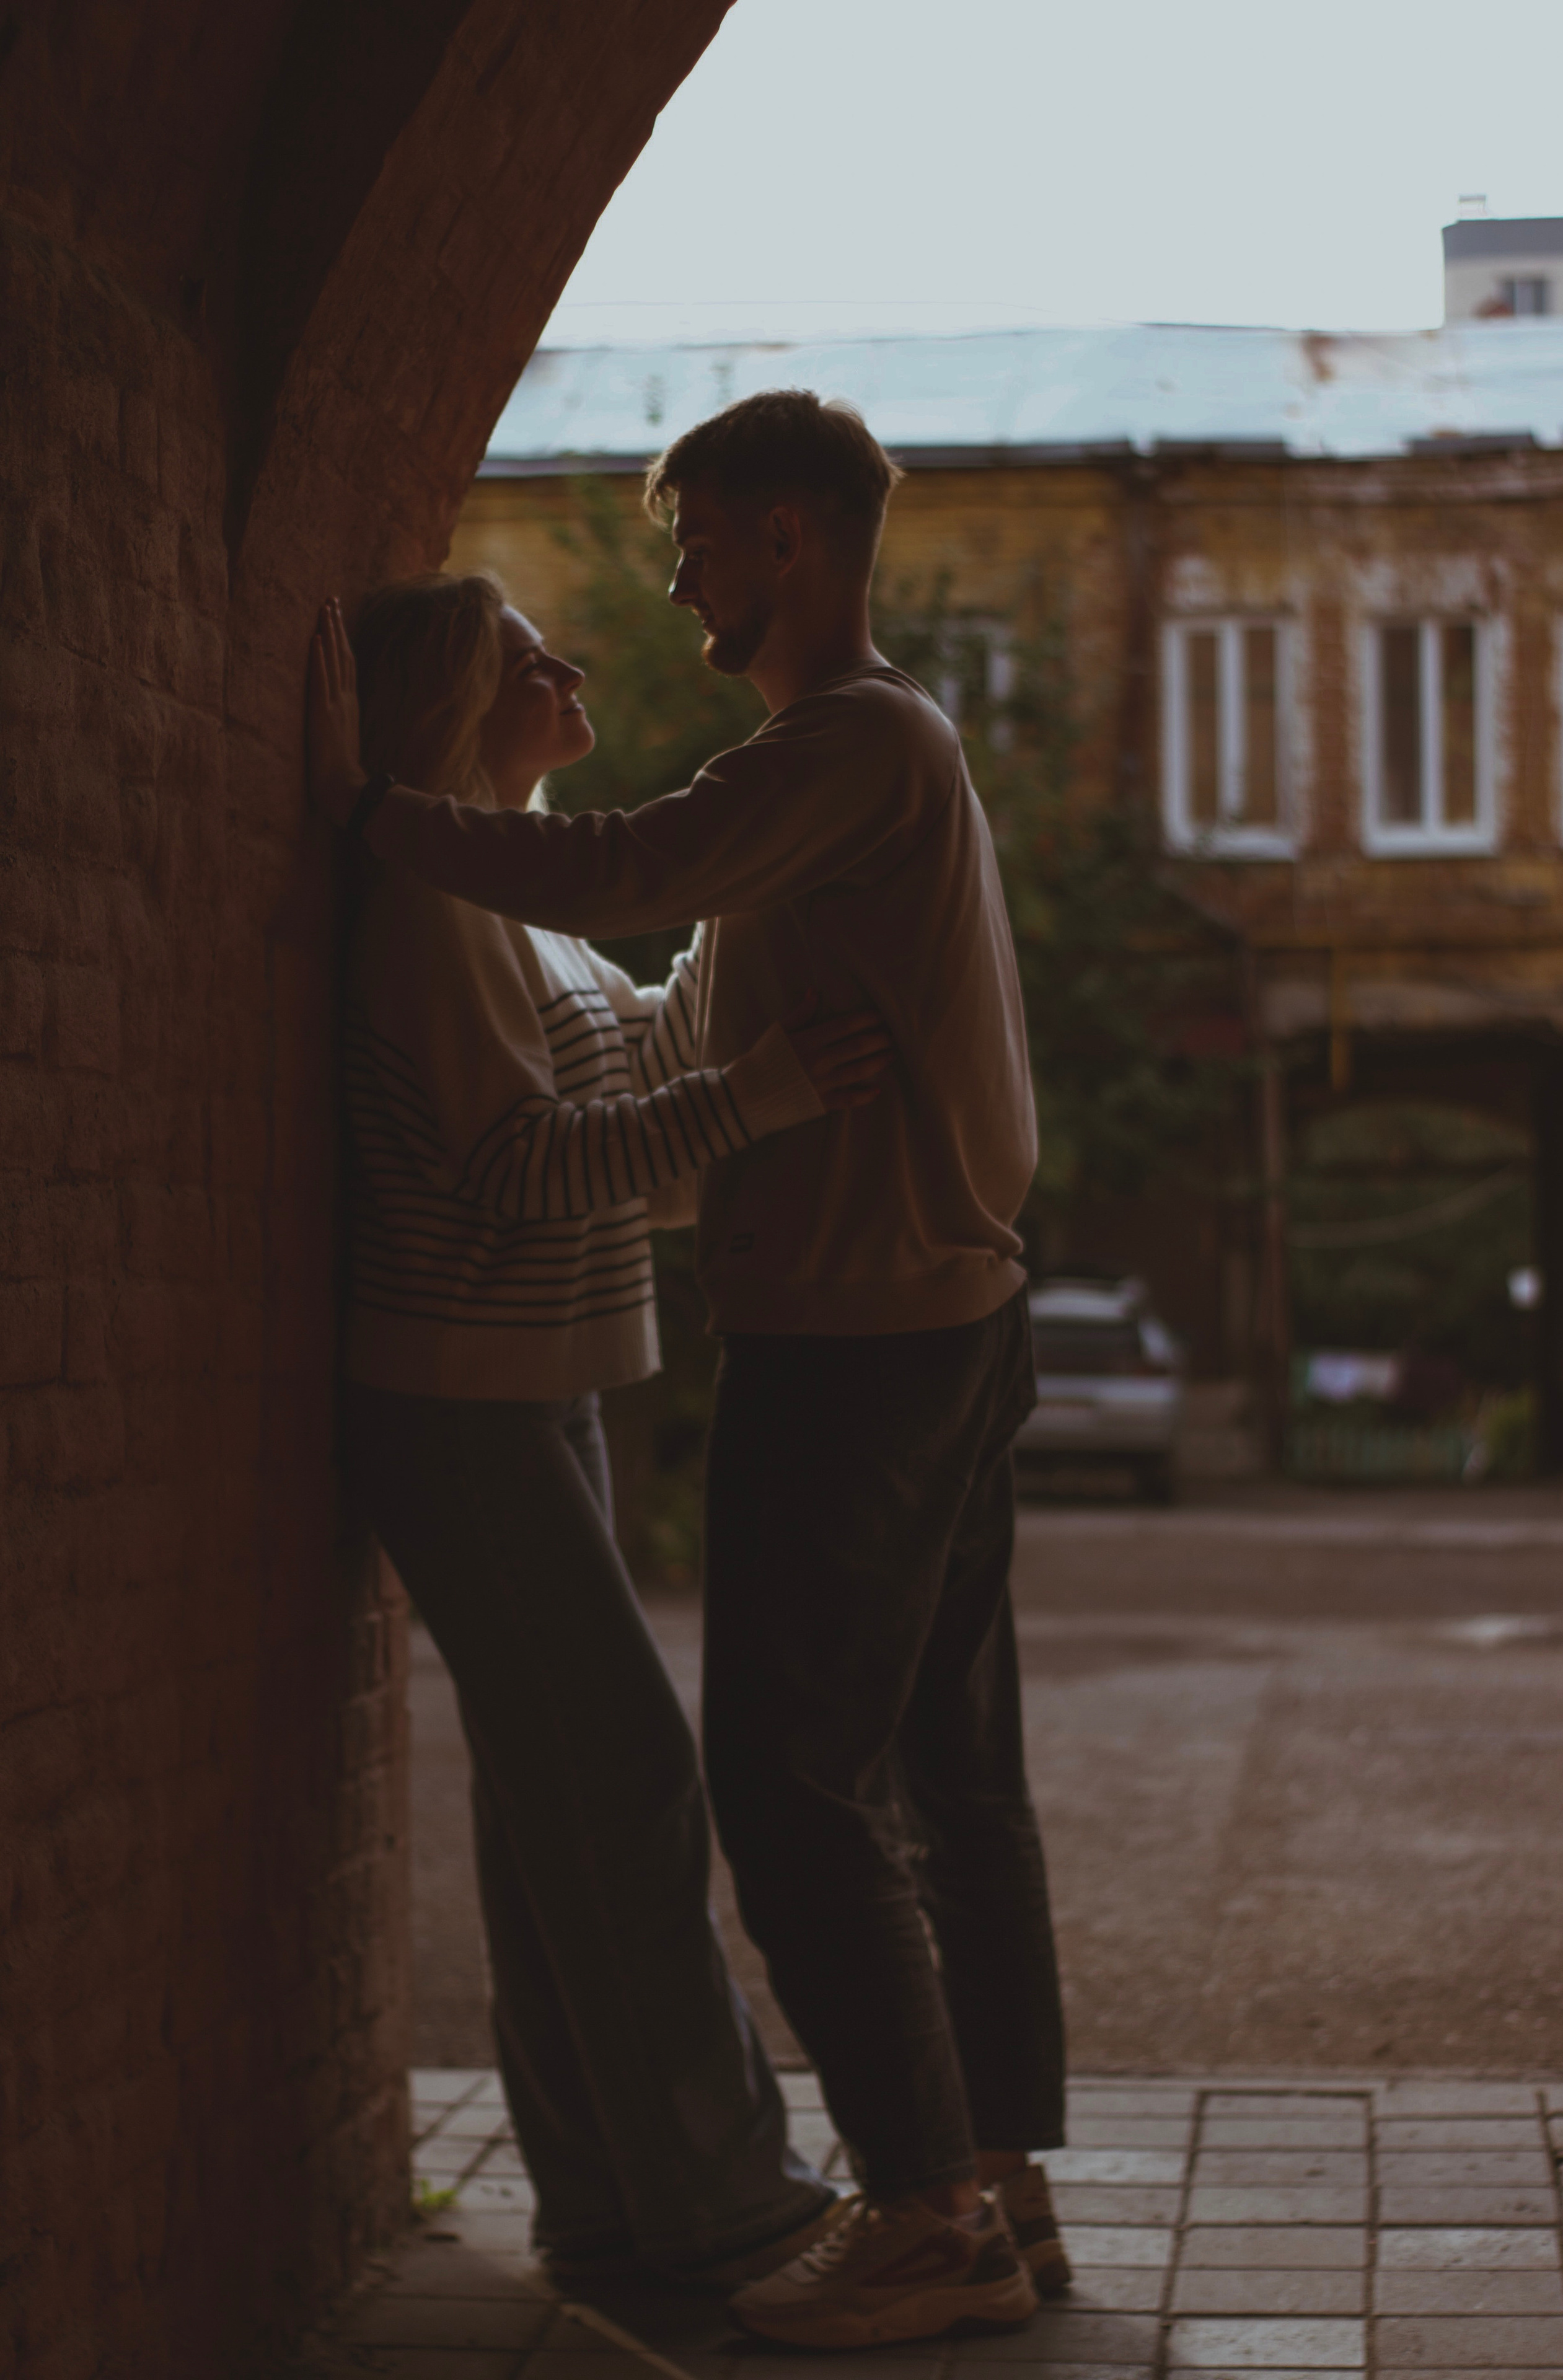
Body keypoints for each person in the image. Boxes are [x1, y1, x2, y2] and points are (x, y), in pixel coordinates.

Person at [306, 391, 1070, 2351]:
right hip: (893, 1307)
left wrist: (373, 809)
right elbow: (663, 1025)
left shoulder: (843, 747)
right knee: (896, 1773)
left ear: (791, 542)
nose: (668, 590)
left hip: (865, 1317)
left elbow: (637, 899)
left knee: (781, 1778)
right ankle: (966, 2186)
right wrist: (734, 1087)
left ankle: (923, 2214)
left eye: (699, 544)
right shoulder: (834, 767)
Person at [320, 569, 893, 2289]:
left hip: (539, 1381)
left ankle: (601, 2199)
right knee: (629, 1783)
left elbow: (639, 1061)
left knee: (548, 1804)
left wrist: (747, 902)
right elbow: (525, 1172)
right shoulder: (431, 906)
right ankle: (727, 2200)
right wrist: (770, 1091)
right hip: (460, 1398)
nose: (563, 670)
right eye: (520, 661)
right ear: (443, 712)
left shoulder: (534, 912)